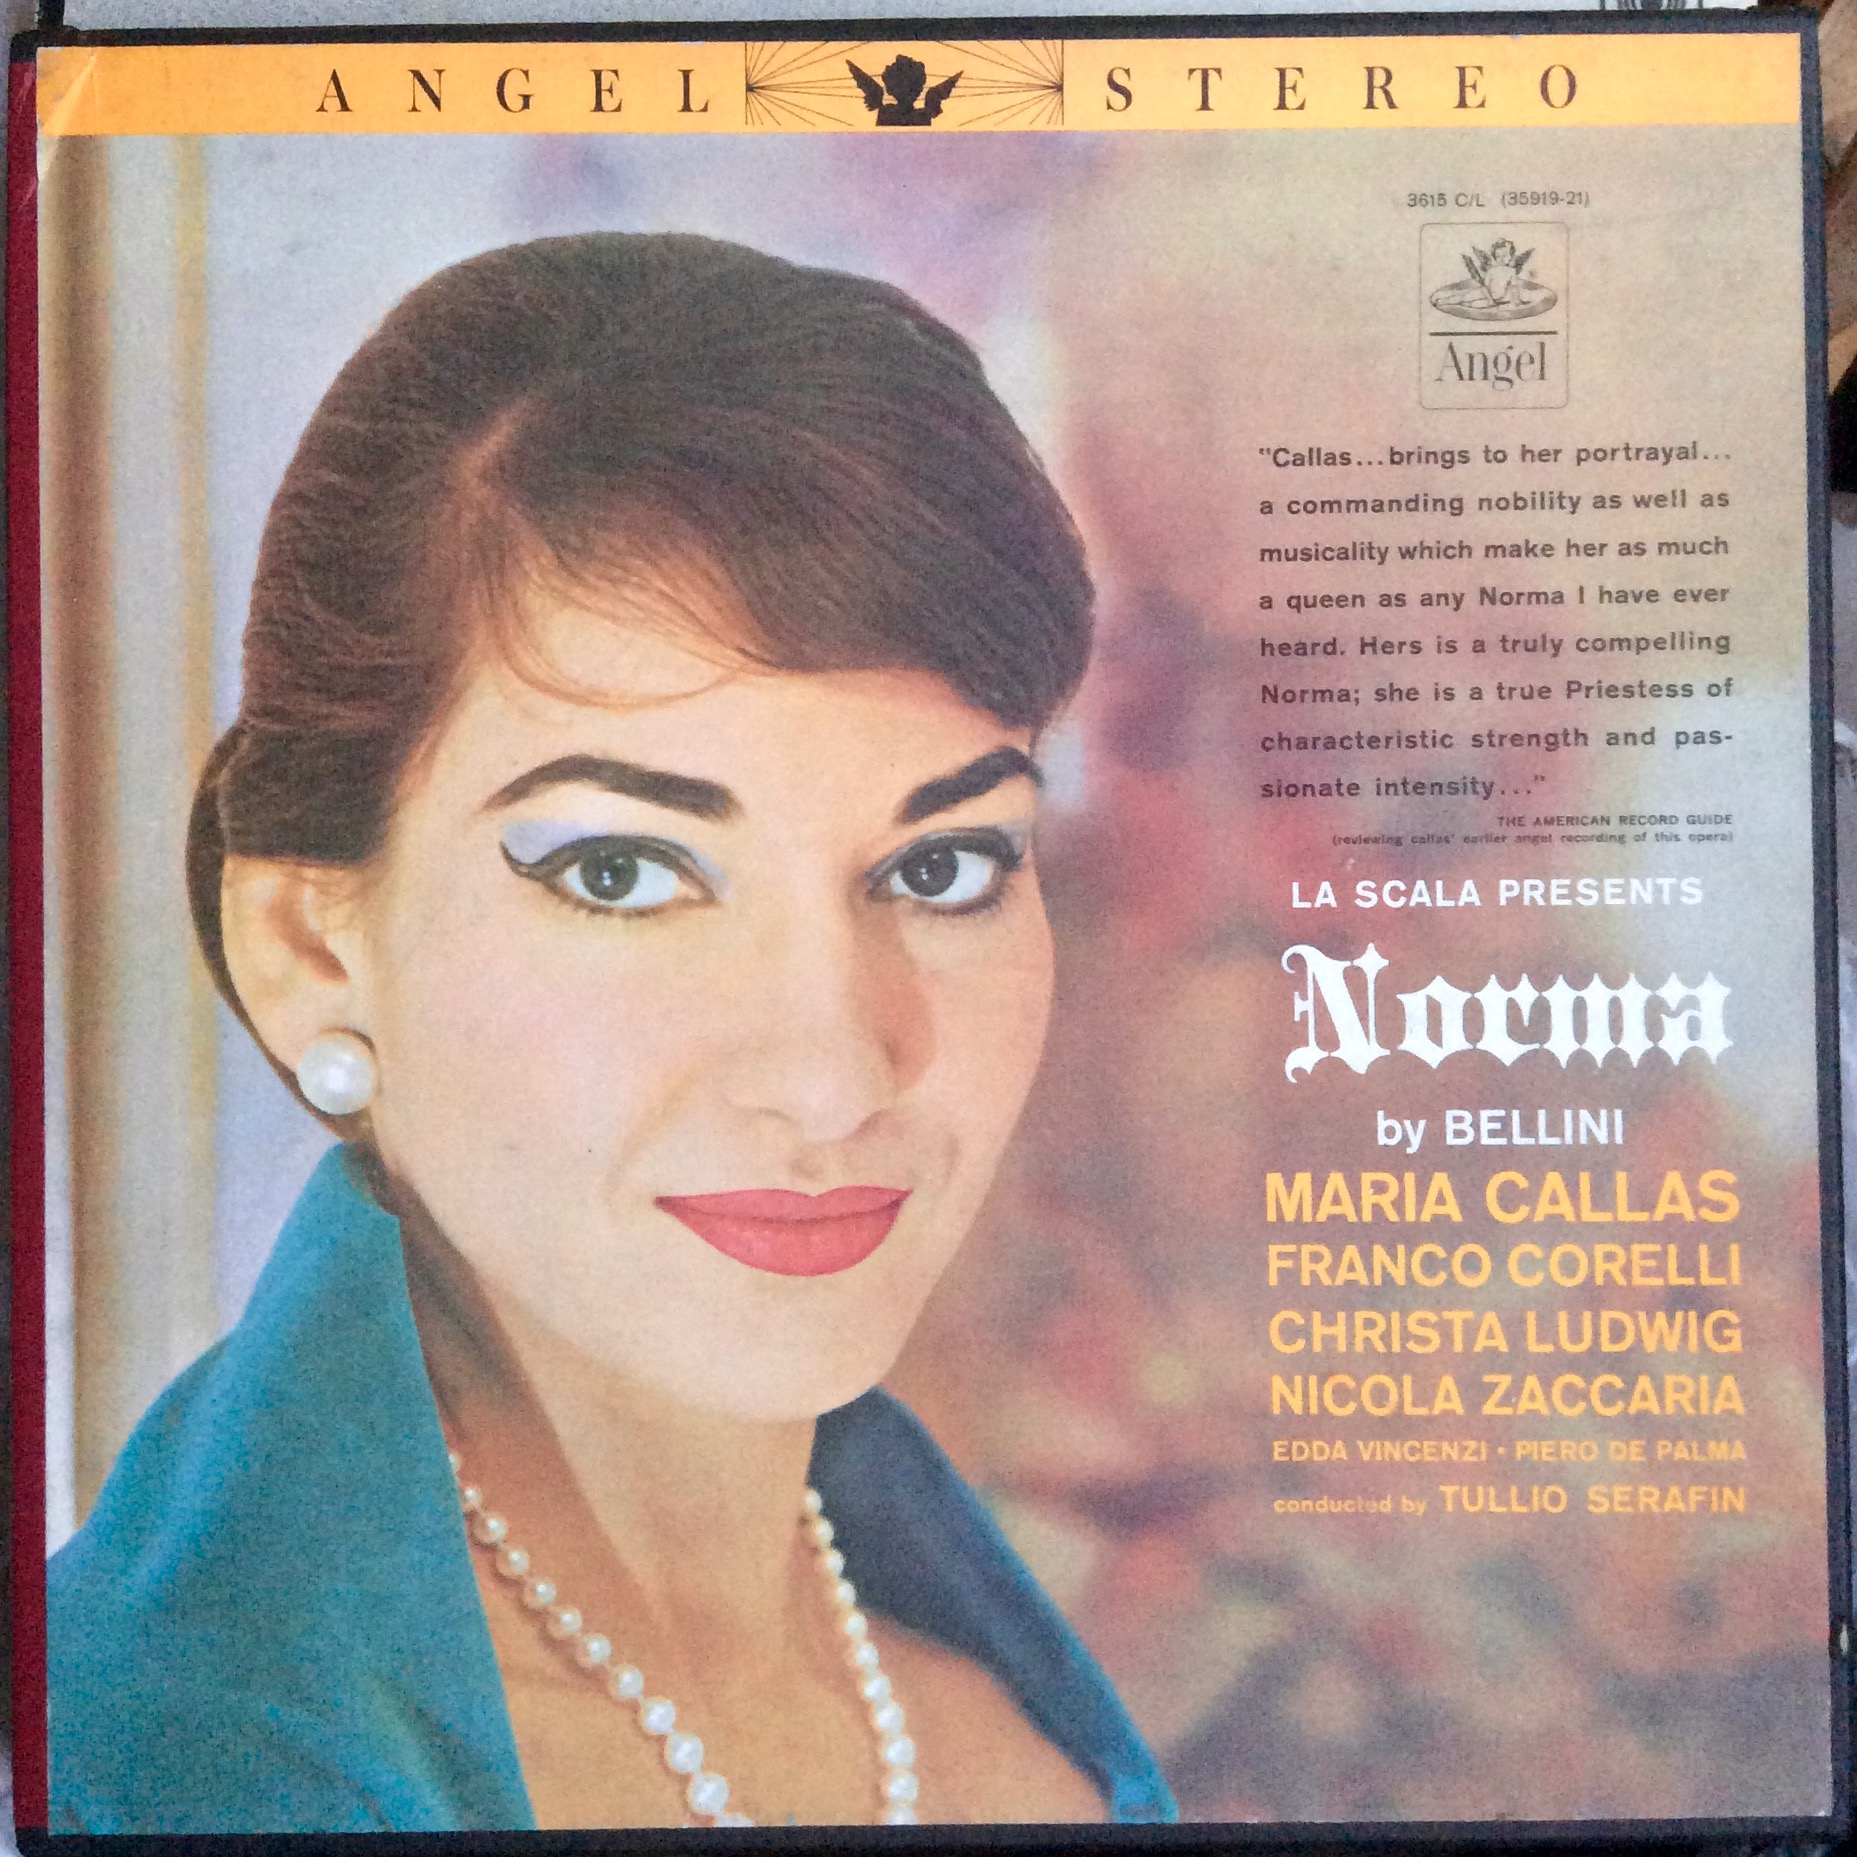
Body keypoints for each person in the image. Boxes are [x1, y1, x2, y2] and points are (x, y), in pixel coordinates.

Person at [47, 233, 1177, 1832]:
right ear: (310, 948)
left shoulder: (1007, 1708)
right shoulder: (142, 1759)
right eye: (622, 871)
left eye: (939, 866)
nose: (831, 1070)